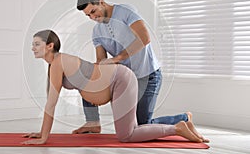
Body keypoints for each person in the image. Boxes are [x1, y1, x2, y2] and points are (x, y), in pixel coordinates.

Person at [22, 29, 209, 144]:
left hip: (120, 80)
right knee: (130, 128)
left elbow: (51, 104)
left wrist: (44, 138)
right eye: (33, 44)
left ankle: (177, 128)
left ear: (50, 46)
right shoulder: (54, 65)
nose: (33, 48)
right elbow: (51, 100)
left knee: (127, 135)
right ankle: (183, 120)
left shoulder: (58, 63)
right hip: (115, 83)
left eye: (37, 44)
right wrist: (41, 132)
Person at [74, 0, 188, 134]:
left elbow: (144, 38)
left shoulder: (125, 11)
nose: (92, 17)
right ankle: (92, 123)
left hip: (148, 76)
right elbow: (102, 60)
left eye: (93, 11)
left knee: (142, 125)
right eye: (88, 15)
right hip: (126, 80)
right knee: (88, 79)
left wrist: (117, 58)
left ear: (101, 2)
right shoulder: (97, 32)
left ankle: (183, 119)